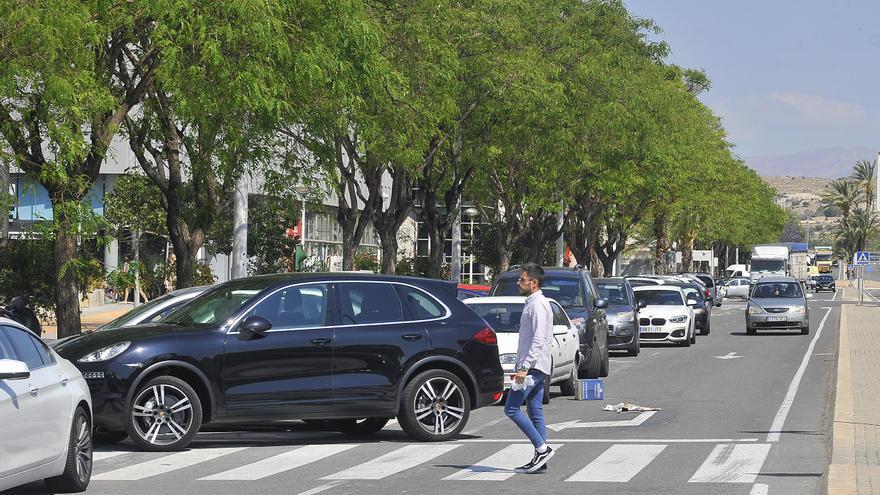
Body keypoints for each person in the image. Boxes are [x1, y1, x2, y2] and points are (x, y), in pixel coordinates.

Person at [505, 262, 555, 474]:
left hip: (533, 367)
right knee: (535, 411)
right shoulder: (534, 302)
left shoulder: (537, 305)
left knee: (511, 409)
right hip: (536, 366)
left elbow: (538, 339)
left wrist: (524, 367)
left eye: (522, 280)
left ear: (534, 283)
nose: (519, 283)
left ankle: (542, 450)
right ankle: (541, 461)